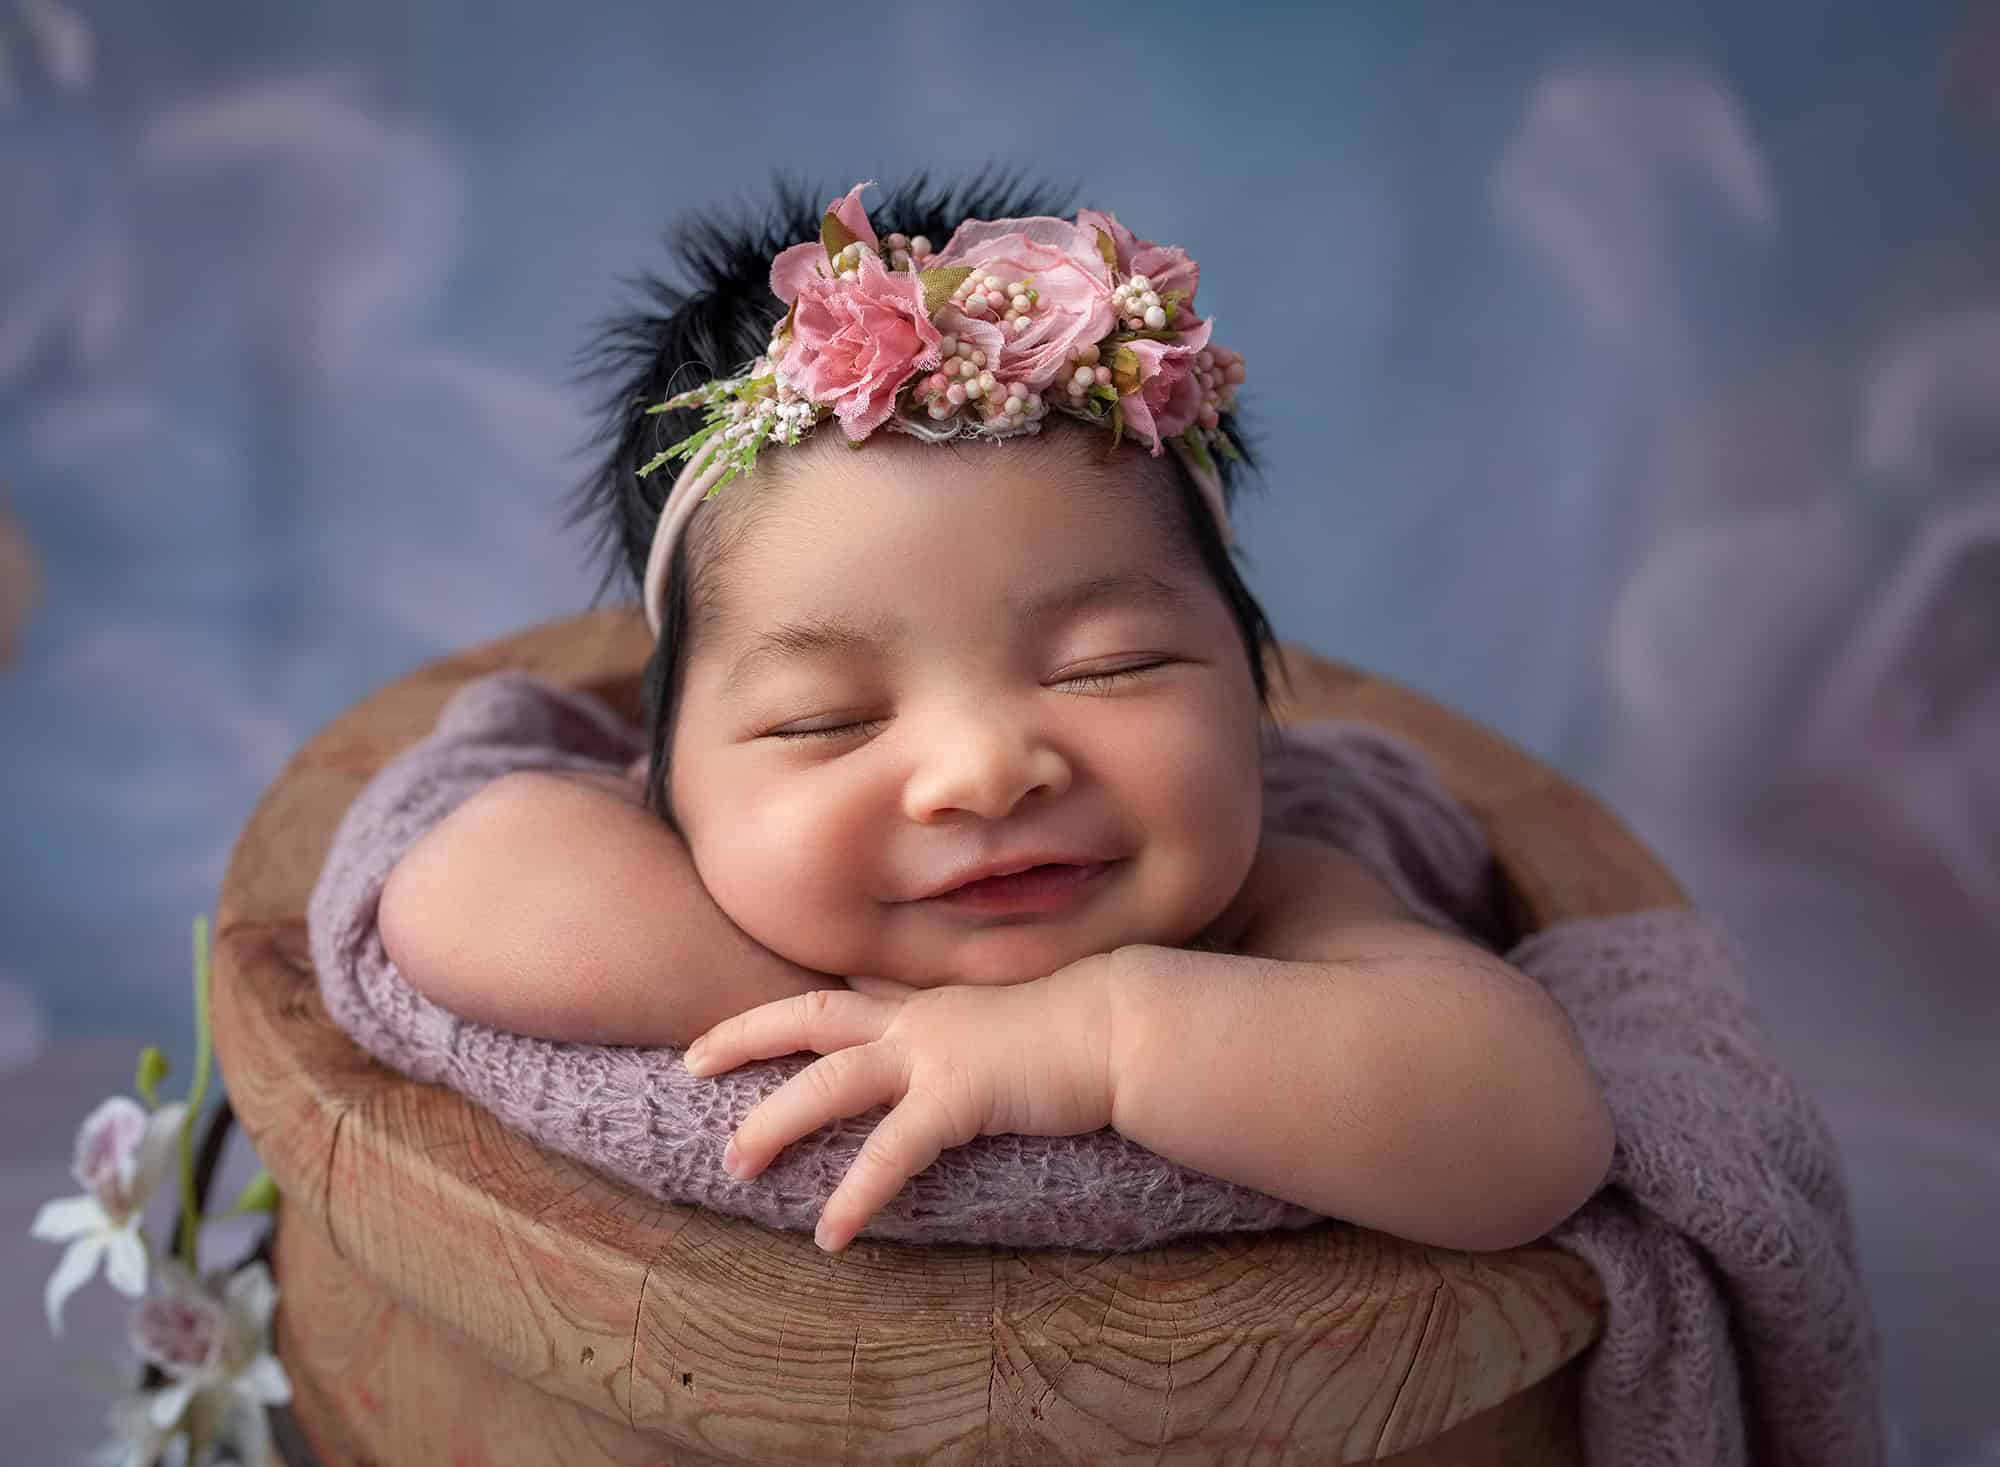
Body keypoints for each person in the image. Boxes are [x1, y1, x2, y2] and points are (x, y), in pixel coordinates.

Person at [378, 176, 1613, 1256]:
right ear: (668, 775)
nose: (979, 771)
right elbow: (459, 888)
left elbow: (1531, 1132)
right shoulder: (685, 872)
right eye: (823, 720)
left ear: (1253, 699)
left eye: (1106, 667)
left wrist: (1093, 1041)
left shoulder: (1281, 900)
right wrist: (851, 1017)